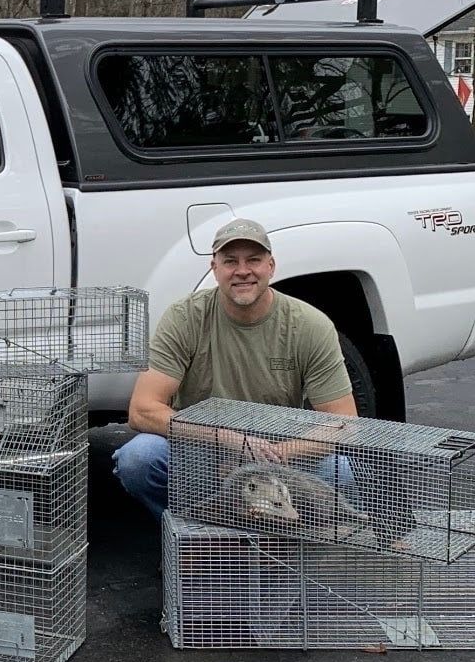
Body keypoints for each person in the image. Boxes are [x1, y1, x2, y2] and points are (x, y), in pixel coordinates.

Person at [112, 218, 358, 519]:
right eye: (231, 261)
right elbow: (142, 410)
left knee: (342, 473)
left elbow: (344, 422)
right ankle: (194, 536)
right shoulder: (184, 317)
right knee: (138, 459)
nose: (243, 271)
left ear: (271, 266)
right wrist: (228, 440)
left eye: (253, 260)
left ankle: (277, 538)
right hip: (201, 448)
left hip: (276, 452)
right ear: (214, 268)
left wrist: (276, 454)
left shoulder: (310, 325)